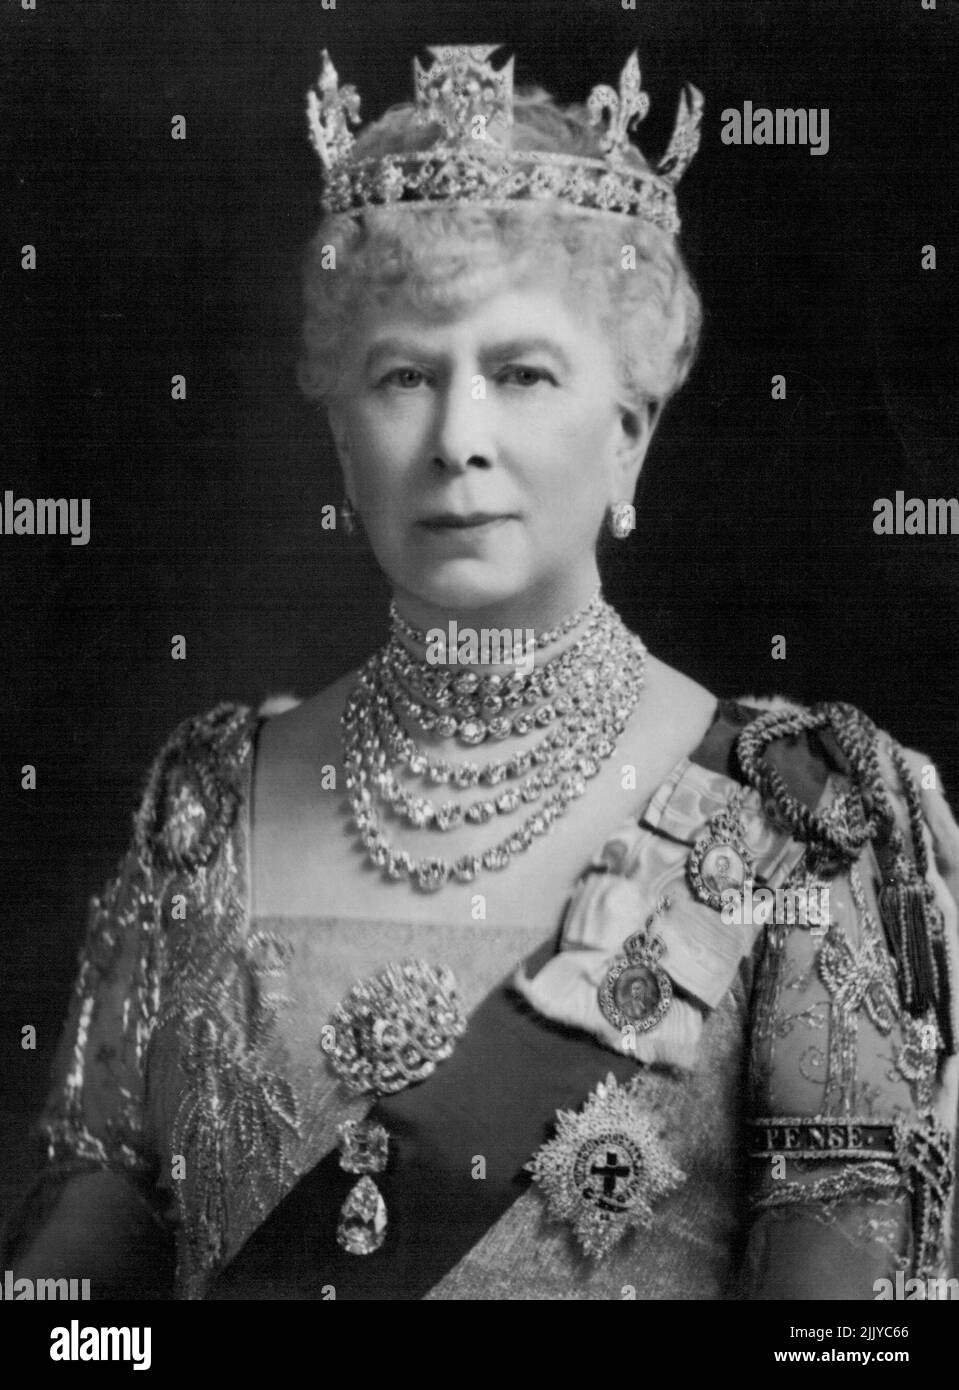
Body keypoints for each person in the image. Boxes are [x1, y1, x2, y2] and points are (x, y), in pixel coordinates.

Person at [3, 43, 957, 1301]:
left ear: (628, 432)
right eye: (405, 376)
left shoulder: (798, 815)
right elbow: (76, 1328)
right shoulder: (203, 800)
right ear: (344, 431)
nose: (458, 440)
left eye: (520, 374)